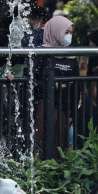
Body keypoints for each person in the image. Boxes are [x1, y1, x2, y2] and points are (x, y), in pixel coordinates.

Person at [33, 15, 78, 153]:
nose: (68, 36)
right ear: (56, 31)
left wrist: (72, 112)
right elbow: (33, 80)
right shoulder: (42, 53)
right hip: (43, 106)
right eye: (66, 32)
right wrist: (52, 86)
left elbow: (76, 86)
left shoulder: (72, 56)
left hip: (64, 107)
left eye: (70, 33)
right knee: (40, 144)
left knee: (60, 146)